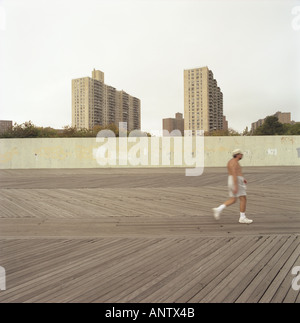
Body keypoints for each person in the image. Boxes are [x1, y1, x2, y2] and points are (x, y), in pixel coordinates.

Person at [212, 149, 253, 224]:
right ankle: (242, 217)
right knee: (243, 198)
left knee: (233, 199)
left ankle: (219, 209)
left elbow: (236, 172)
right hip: (236, 181)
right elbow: (234, 173)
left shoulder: (231, 161)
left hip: (232, 180)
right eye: (241, 154)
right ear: (237, 154)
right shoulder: (234, 162)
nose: (242, 155)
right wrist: (236, 185)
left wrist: (243, 179)